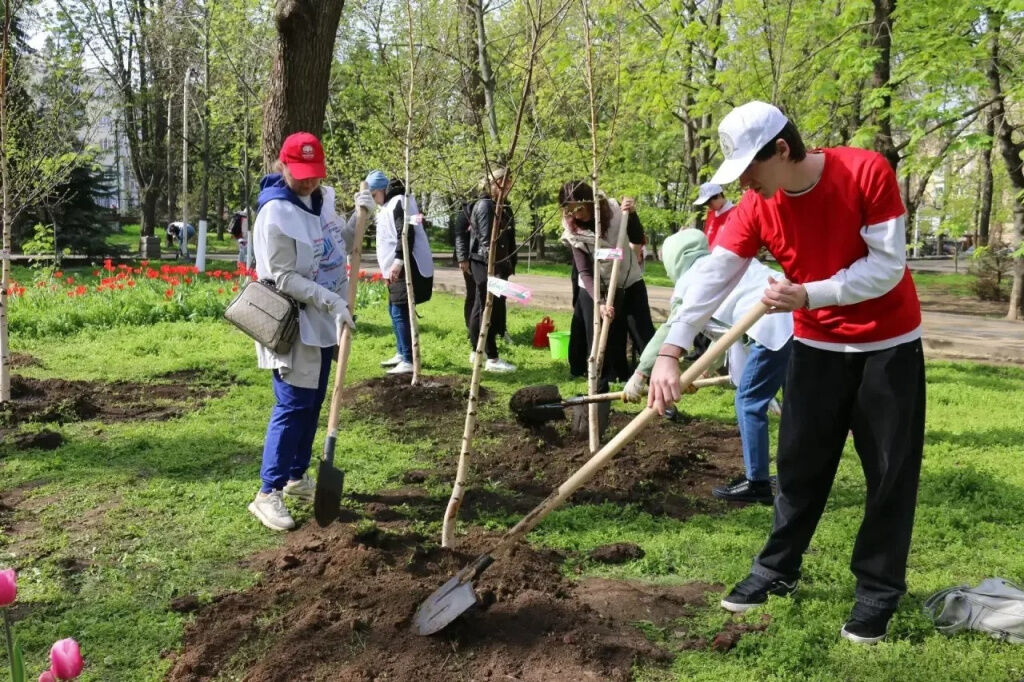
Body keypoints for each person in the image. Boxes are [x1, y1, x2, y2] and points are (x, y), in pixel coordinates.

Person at [647, 101, 925, 645]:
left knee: (889, 473)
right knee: (798, 465)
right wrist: (670, 349)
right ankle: (778, 569)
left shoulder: (865, 171)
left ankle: (878, 589)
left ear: (782, 149)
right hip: (817, 346)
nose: (746, 182)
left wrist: (810, 293)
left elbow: (887, 265)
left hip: (887, 346)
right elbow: (713, 274)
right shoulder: (757, 204)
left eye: (751, 168)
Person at [248, 131, 372, 532]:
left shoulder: (322, 201)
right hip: (293, 320)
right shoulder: (275, 215)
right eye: (300, 174)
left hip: (323, 322)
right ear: (281, 166)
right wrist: (332, 300)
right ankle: (267, 493)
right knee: (292, 404)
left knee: (314, 399)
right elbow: (281, 276)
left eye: (314, 174)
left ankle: (296, 477)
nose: (308, 181)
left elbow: (343, 243)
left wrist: (359, 214)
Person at [623, 228, 792, 504]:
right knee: (796, 404)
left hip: (771, 325)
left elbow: (670, 331)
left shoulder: (694, 280)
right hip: (798, 319)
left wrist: (641, 373)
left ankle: (757, 482)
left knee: (748, 402)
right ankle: (795, 476)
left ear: (673, 261)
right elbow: (726, 334)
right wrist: (705, 368)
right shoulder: (726, 262)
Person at [560, 181, 655, 387]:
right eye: (570, 210)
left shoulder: (614, 210)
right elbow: (584, 270)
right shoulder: (571, 229)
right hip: (593, 285)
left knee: (643, 332)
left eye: (579, 208)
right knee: (598, 336)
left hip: (628, 280)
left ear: (591, 201)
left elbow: (638, 237)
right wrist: (599, 302)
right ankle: (601, 382)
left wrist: (633, 214)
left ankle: (656, 376)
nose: (576, 214)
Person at [369, 170, 434, 375]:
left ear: (381, 189)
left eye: (373, 195)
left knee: (399, 311)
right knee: (393, 309)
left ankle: (408, 359)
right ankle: (401, 352)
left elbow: (406, 233)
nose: (374, 200)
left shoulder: (400, 202)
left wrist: (397, 262)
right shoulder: (388, 205)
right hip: (394, 267)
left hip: (407, 265)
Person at [466, 168, 518, 372]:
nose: (507, 187)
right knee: (484, 307)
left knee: (488, 307)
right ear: (493, 183)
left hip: (495, 264)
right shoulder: (486, 206)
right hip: (485, 264)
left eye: (509, 183)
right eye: (503, 183)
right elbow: (488, 242)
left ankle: (479, 350)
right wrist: (493, 272)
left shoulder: (501, 205)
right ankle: (491, 358)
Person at [693, 182, 735, 248]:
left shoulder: (735, 213)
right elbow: (707, 236)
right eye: (706, 204)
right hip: (708, 255)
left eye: (710, 203)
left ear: (719, 196)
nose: (709, 206)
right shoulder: (711, 213)